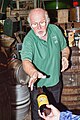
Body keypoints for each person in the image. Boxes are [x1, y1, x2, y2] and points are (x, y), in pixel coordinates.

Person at [20, 8, 70, 120]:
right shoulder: (29, 40)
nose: (39, 27)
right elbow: (26, 61)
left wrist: (65, 57)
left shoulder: (55, 30)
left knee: (54, 113)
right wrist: (33, 72)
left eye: (42, 23)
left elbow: (65, 48)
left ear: (47, 21)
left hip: (56, 83)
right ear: (30, 25)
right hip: (38, 86)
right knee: (38, 115)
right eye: (34, 24)